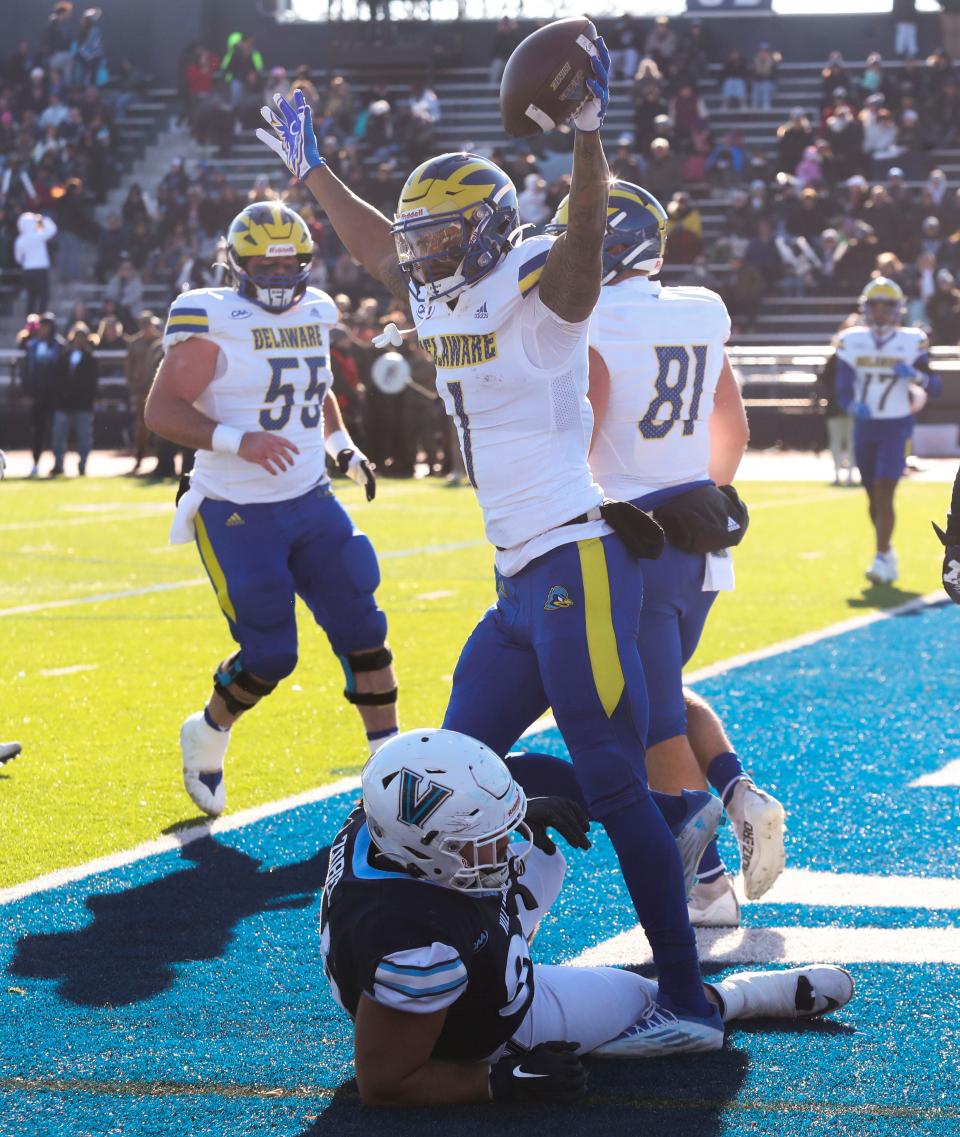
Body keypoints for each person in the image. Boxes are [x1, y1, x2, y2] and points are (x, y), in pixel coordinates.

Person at [257, 49, 734, 1055]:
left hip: (578, 558)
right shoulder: (443, 287)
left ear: (484, 232)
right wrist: (314, 175)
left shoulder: (535, 278)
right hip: (518, 576)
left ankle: (686, 997)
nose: (417, 255)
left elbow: (583, 248)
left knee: (610, 778)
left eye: (438, 237)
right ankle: (489, 955)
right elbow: (379, 246)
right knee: (450, 770)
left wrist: (590, 138)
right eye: (419, 238)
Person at [321, 728, 855, 1106]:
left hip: (428, 943)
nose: (504, 851)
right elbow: (384, 1083)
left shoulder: (384, 821)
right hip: (466, 1019)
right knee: (637, 999)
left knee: (543, 852)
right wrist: (496, 1082)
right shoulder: (417, 950)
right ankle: (737, 997)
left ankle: (482, 959)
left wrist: (514, 811)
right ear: (426, 852)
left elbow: (455, 835)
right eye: (480, 845)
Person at [547, 183, 785, 928]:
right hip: (700, 530)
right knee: (663, 691)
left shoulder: (590, 322)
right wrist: (700, 499)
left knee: (645, 724)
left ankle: (708, 882)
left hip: (632, 538)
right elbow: (732, 428)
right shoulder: (700, 308)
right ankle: (738, 792)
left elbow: (582, 431)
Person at [144, 201, 398, 818]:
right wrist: (241, 441)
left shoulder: (317, 310)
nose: (281, 276)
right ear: (238, 264)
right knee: (271, 654)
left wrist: (342, 446)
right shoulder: (211, 315)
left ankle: (389, 769)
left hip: (310, 497)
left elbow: (314, 389)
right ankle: (207, 731)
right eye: (266, 264)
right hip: (236, 506)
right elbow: (163, 410)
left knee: (364, 626)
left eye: (292, 264)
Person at [836, 276, 942, 585]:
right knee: (872, 495)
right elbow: (841, 389)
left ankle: (881, 557)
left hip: (896, 424)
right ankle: (886, 550)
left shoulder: (912, 341)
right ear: (866, 309)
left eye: (886, 306)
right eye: (875, 306)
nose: (881, 312)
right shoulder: (851, 340)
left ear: (898, 310)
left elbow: (936, 386)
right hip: (865, 426)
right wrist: (851, 406)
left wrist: (916, 376)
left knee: (885, 490)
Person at [51, 322, 99, 477]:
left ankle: (82, 465)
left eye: (82, 337)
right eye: (77, 337)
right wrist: (62, 395)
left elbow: (92, 383)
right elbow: (57, 379)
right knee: (58, 437)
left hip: (82, 405)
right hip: (63, 404)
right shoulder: (64, 356)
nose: (79, 340)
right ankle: (58, 464)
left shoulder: (90, 359)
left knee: (84, 438)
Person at [20, 312, 65, 478]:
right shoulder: (33, 346)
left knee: (56, 430)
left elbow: (62, 372)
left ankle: (57, 463)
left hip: (53, 395)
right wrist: (26, 392)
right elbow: (26, 371)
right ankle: (35, 463)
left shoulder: (59, 346)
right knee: (37, 430)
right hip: (37, 394)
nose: (44, 329)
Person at [125, 310, 163, 474]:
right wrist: (133, 386)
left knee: (161, 427)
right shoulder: (135, 343)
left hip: (159, 390)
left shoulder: (160, 342)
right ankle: (139, 458)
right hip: (141, 390)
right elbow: (129, 367)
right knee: (141, 427)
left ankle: (161, 461)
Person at [14, 212, 57, 315]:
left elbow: (18, 259)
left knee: (31, 297)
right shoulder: (39, 235)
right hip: (41, 270)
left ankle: (30, 322)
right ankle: (40, 319)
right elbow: (53, 229)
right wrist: (42, 220)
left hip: (28, 271)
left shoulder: (20, 240)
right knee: (44, 296)